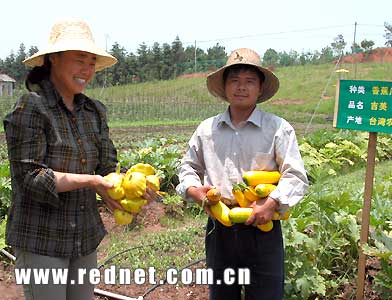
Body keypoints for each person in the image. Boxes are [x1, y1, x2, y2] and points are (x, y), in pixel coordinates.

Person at [3, 19, 152, 300]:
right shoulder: (31, 107)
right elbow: (31, 178)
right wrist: (92, 181)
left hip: (84, 236)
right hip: (41, 238)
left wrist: (129, 187)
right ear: (53, 59)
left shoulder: (93, 111)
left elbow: (108, 168)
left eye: (92, 62)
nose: (87, 69)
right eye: (80, 59)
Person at [176, 48, 308, 300]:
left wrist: (272, 203)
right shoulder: (207, 130)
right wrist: (193, 190)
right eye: (234, 80)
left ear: (260, 88)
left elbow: (296, 176)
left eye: (249, 81)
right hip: (220, 228)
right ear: (225, 87)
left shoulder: (278, 129)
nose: (241, 87)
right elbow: (188, 167)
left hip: (264, 228)